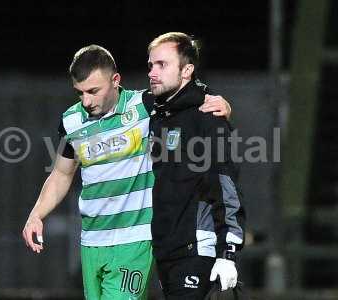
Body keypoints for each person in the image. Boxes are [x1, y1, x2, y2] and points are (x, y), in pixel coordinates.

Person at [22, 44, 232, 299]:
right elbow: (62, 173)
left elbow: (182, 94)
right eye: (80, 93)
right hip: (91, 240)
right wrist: (36, 215)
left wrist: (214, 99)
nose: (86, 101)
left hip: (134, 238)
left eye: (93, 91)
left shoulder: (143, 106)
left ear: (115, 81)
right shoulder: (72, 121)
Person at [147, 32, 245, 299]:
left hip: (197, 250)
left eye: (162, 65)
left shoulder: (207, 117)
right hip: (164, 250)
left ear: (187, 70)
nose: (152, 73)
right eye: (151, 65)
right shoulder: (157, 110)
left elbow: (226, 187)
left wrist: (229, 252)